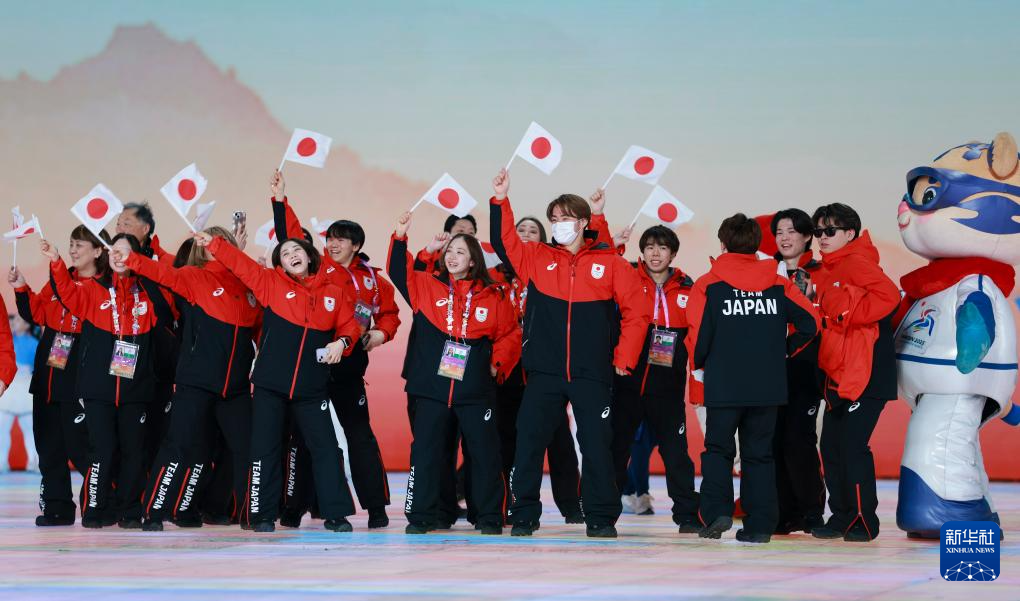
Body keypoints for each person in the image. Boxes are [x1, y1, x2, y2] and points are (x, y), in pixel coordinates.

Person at [489, 168, 650, 538]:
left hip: (591, 372)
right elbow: (504, 241)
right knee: (529, 442)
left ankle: (600, 517)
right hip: (544, 372)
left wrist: (624, 358)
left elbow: (637, 313)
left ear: (583, 223)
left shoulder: (610, 263)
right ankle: (524, 514)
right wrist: (500, 199)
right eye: (554, 219)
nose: (558, 224)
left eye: (565, 218)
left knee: (596, 445)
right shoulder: (536, 257)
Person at [195, 231, 361, 533]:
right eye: (285, 254)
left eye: (296, 250)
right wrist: (215, 244)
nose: (292, 255)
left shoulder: (334, 292)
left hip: (312, 388)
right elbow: (241, 264)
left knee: (326, 448)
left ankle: (336, 514)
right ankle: (262, 514)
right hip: (270, 386)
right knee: (265, 448)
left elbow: (349, 326)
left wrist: (342, 342)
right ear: (280, 265)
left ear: (309, 256)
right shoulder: (269, 283)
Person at [267, 176, 401, 529]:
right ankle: (293, 508)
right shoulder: (320, 266)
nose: (333, 244)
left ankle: (376, 507)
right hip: (314, 363)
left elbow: (390, 314)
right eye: (330, 238)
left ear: (356, 245)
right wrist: (280, 200)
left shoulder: (374, 279)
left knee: (359, 435)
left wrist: (380, 333)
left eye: (341, 239)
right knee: (304, 438)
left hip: (349, 364)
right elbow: (291, 236)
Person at [686, 214, 819, 544]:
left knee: (718, 451)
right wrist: (784, 350)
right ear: (758, 245)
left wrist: (702, 364)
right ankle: (760, 526)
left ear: (723, 244)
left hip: (723, 384)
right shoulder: (777, 283)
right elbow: (811, 322)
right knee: (759, 455)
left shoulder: (708, 284)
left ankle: (716, 513)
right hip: (767, 385)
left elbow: (698, 336)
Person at [388, 211, 520, 535]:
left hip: (475, 390)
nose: (452, 256)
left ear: (473, 261)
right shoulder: (426, 286)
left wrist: (498, 363)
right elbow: (398, 270)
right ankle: (420, 516)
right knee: (426, 452)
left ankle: (488, 517)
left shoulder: (494, 295)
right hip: (432, 389)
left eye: (460, 252)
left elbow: (510, 334)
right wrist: (401, 235)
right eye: (449, 251)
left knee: (484, 454)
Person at [121, 226, 261, 532]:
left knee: (248, 448)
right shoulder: (194, 277)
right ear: (202, 248)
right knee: (179, 445)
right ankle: (153, 512)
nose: (218, 247)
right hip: (196, 383)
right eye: (213, 243)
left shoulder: (248, 286)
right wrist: (131, 258)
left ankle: (252, 515)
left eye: (224, 242)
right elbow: (162, 273)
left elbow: (261, 331)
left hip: (236, 388)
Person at [43, 233, 175, 528]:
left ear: (136, 257)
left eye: (125, 252)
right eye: (114, 250)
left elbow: (168, 313)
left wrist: (148, 275)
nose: (118, 256)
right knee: (100, 449)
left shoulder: (148, 294)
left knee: (133, 452)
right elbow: (67, 294)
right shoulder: (94, 290)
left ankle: (130, 511)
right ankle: (94, 509)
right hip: (98, 389)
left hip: (136, 389)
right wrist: (56, 261)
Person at [809, 203, 899, 542]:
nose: (822, 237)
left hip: (867, 374)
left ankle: (863, 520)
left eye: (830, 231)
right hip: (840, 375)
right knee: (831, 447)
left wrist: (848, 316)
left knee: (851, 446)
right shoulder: (828, 268)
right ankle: (842, 516)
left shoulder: (856, 262)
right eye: (818, 231)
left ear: (850, 233)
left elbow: (889, 297)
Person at [608, 225, 701, 533]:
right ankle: (603, 515)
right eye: (649, 247)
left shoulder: (688, 288)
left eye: (662, 248)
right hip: (627, 382)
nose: (655, 253)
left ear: (672, 254)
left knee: (676, 454)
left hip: (668, 388)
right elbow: (602, 270)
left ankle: (687, 516)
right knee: (616, 450)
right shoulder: (628, 279)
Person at [10, 226, 105, 525]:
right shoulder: (57, 281)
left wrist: (57, 265)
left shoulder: (103, 287)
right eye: (71, 244)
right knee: (48, 446)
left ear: (98, 251)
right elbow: (38, 313)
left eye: (80, 245)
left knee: (81, 447)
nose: (73, 250)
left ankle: (104, 503)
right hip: (47, 375)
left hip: (78, 378)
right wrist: (22, 288)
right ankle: (57, 507)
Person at [491, 216, 583, 524]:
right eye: (521, 230)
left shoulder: (548, 270)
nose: (527, 235)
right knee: (507, 440)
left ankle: (572, 505)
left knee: (559, 442)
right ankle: (510, 504)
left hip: (543, 368)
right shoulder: (493, 277)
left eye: (534, 231)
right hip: (505, 371)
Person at [769, 209, 826, 534]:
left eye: (792, 231)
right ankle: (782, 512)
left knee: (799, 440)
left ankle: (811, 511)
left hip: (806, 371)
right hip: (770, 371)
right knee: (773, 441)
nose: (785, 238)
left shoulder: (819, 273)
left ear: (807, 236)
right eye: (779, 232)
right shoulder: (766, 273)